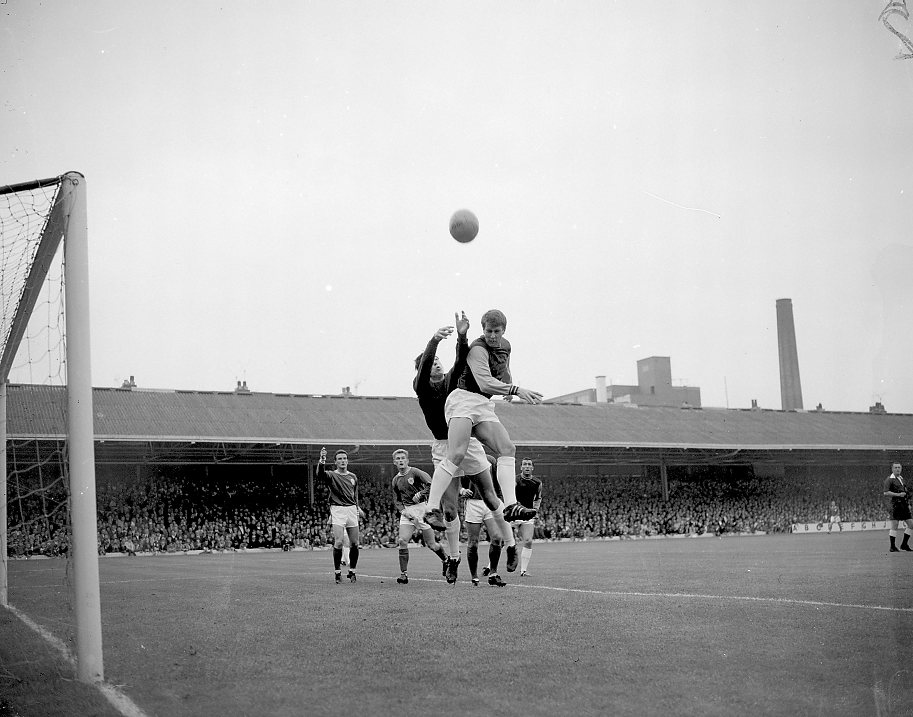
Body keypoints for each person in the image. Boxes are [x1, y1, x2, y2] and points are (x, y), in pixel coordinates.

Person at [413, 313, 530, 577]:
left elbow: (460, 358)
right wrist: (434, 342)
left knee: (490, 496)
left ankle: (511, 545)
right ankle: (453, 559)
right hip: (443, 445)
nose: (437, 367)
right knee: (451, 509)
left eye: (438, 363)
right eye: (432, 364)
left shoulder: (453, 383)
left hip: (471, 441)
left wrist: (462, 336)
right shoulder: (421, 386)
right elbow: (426, 365)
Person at [423, 309, 541, 533]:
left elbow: (504, 371)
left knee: (507, 448)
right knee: (456, 453)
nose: (492, 336)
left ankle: (511, 505)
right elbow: (486, 383)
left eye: (497, 331)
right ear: (482, 329)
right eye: (488, 331)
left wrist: (508, 384)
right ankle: (431, 509)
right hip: (463, 400)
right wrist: (515, 390)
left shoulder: (506, 345)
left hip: (483, 404)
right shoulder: (477, 348)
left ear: (504, 330)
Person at [390, 448, 451, 584]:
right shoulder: (395, 480)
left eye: (402, 458)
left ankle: (445, 559)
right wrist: (403, 511)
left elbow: (431, 483)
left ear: (407, 460)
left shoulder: (415, 472)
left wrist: (422, 493)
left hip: (423, 509)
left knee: (431, 545)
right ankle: (403, 574)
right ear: (394, 462)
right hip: (408, 512)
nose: (400, 461)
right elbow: (397, 500)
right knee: (402, 541)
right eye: (398, 459)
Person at [316, 447, 363, 582]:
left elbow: (355, 496)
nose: (342, 461)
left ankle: (352, 571)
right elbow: (320, 475)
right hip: (338, 509)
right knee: (339, 542)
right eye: (339, 459)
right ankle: (337, 572)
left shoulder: (353, 476)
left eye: (344, 459)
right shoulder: (332, 475)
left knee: (355, 543)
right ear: (335, 462)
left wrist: (357, 508)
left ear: (347, 461)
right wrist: (322, 460)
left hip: (351, 509)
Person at [514, 458, 543, 576]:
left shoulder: (537, 483)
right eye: (524, 464)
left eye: (529, 464)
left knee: (528, 541)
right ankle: (490, 567)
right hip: (513, 513)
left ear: (532, 468)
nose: (527, 466)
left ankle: (523, 571)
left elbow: (538, 498)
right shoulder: (514, 480)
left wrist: (535, 510)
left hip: (527, 515)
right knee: (502, 541)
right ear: (521, 467)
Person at [883, 461, 913, 552]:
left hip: (903, 505)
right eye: (895, 467)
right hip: (895, 505)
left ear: (901, 469)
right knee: (895, 525)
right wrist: (898, 495)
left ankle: (904, 544)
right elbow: (885, 492)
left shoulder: (901, 479)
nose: (897, 469)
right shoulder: (889, 479)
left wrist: (907, 503)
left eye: (899, 467)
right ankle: (892, 547)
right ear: (892, 469)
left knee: (911, 524)